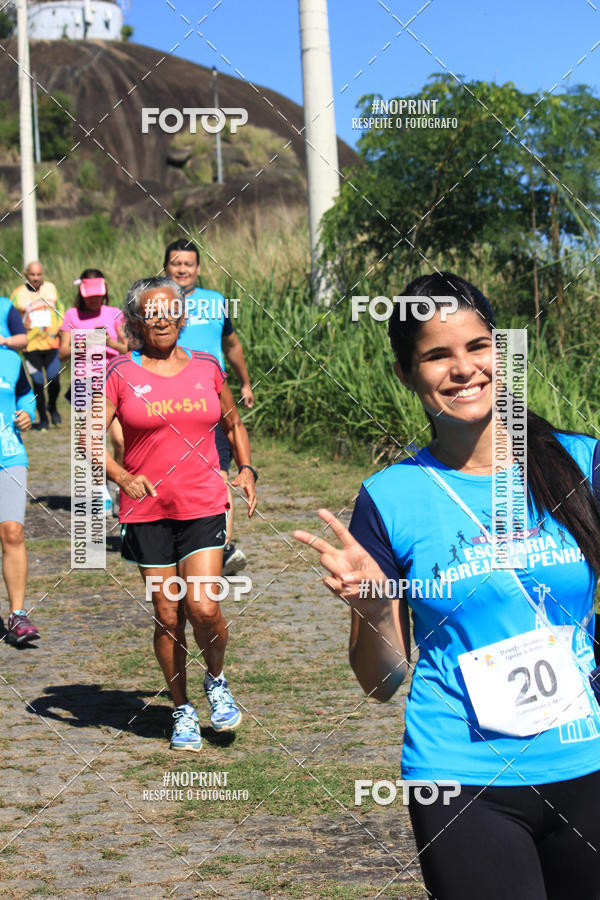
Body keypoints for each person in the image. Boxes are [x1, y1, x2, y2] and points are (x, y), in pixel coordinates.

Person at [295, 272, 600, 900]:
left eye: (478, 347)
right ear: (409, 374)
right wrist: (375, 608)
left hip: (588, 760)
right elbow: (380, 683)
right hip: (461, 777)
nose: (464, 369)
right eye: (438, 355)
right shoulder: (389, 498)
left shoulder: (582, 462)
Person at [104, 277, 257, 752]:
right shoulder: (120, 373)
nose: (162, 319)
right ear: (135, 322)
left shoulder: (207, 367)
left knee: (203, 606)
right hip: (147, 510)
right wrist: (122, 476)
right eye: (151, 312)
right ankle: (183, 709)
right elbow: (89, 442)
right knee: (168, 613)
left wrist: (247, 469)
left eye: (170, 310)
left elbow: (232, 423)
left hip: (203, 502)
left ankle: (216, 680)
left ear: (183, 316)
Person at [163, 238, 254, 575]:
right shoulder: (158, 303)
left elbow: (231, 343)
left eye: (188, 264)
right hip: (167, 401)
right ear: (166, 268)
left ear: (198, 269)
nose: (182, 269)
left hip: (212, 399)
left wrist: (244, 381)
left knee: (219, 471)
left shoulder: (216, 302)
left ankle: (223, 546)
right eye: (176, 263)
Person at [59, 269, 127, 513]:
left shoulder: (114, 313)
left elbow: (127, 348)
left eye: (99, 295)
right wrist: (85, 341)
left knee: (120, 440)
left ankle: (118, 482)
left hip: (113, 379)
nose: (95, 300)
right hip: (84, 382)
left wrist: (109, 342)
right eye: (90, 296)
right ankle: (101, 490)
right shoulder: (71, 315)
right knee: (94, 440)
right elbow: (62, 353)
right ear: (82, 293)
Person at [0, 344, 38, 643]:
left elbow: (25, 393)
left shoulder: (11, 359)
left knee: (13, 532)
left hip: (10, 455)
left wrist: (27, 411)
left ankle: (17, 614)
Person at [11, 261, 62, 429]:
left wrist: (60, 328)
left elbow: (60, 309)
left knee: (54, 380)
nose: (36, 278)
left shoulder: (51, 289)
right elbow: (10, 318)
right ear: (26, 274)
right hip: (30, 346)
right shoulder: (18, 294)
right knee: (38, 383)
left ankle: (52, 407)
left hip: (51, 343)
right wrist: (20, 325)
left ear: (43, 274)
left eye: (39, 274)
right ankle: (43, 419)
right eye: (32, 275)